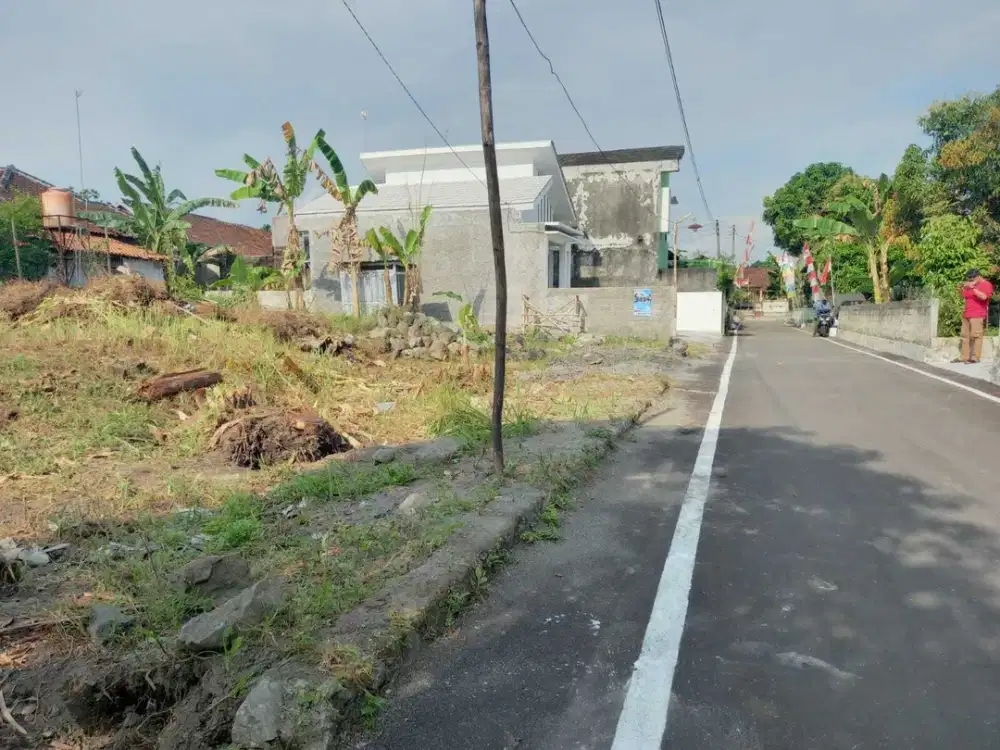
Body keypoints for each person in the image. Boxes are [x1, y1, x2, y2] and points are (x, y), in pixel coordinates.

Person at [957, 268, 993, 364]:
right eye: (969, 278)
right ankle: (964, 357)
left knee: (976, 336)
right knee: (965, 336)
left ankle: (975, 357)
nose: (970, 280)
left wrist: (973, 288)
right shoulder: (971, 284)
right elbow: (963, 295)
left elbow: (984, 297)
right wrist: (961, 287)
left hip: (978, 314)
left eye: (972, 278)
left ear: (978, 276)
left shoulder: (986, 284)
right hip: (967, 313)